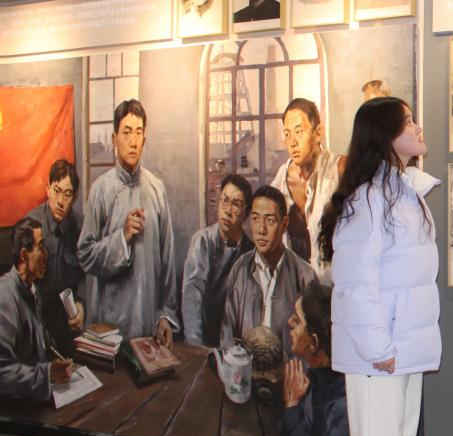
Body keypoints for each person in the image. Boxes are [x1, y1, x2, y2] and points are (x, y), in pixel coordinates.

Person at [317, 96, 441, 436]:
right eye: (408, 121)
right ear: (386, 135)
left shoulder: (404, 192)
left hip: (402, 347)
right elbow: (354, 283)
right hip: (380, 352)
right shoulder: (368, 201)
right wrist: (376, 346)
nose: (417, 126)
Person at [78, 100, 180, 344]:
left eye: (138, 132)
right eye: (126, 132)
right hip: (109, 328)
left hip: (148, 323)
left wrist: (165, 314)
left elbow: (167, 259)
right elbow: (85, 255)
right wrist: (121, 238)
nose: (133, 141)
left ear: (145, 138)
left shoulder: (156, 189)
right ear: (114, 138)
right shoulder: (100, 190)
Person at [220, 185, 318, 356]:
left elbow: (312, 347)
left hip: (289, 371)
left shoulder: (304, 275)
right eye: (255, 219)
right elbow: (227, 336)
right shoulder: (240, 269)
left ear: (284, 224)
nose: (261, 230)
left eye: (270, 220)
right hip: (246, 369)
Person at [269, 98, 345, 281]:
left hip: (336, 287)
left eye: (299, 132)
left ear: (318, 133)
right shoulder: (281, 181)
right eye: (287, 134)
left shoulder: (340, 170)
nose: (292, 142)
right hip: (295, 287)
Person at [0, 218, 73, 402]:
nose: (46, 254)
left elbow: (44, 344)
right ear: (24, 255)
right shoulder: (4, 297)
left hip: (35, 398)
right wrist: (47, 374)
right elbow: (2, 373)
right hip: (16, 408)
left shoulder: (32, 289)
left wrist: (58, 361)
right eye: (41, 246)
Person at [280, 281, 350, 436]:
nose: (289, 322)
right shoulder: (314, 378)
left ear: (313, 343)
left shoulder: (342, 406)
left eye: (297, 320)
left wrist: (292, 407)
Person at [181, 174, 254, 347]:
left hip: (235, 344)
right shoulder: (202, 242)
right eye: (225, 201)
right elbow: (192, 295)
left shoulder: (251, 252)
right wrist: (196, 345)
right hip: (202, 338)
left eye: (236, 205)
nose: (227, 211)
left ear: (246, 212)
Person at [23, 160, 85, 351]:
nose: (60, 201)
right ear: (48, 188)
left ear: (74, 197)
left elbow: (88, 277)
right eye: (56, 191)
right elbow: (20, 282)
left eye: (67, 194)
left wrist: (82, 305)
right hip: (35, 325)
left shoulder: (81, 228)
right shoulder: (30, 226)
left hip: (69, 328)